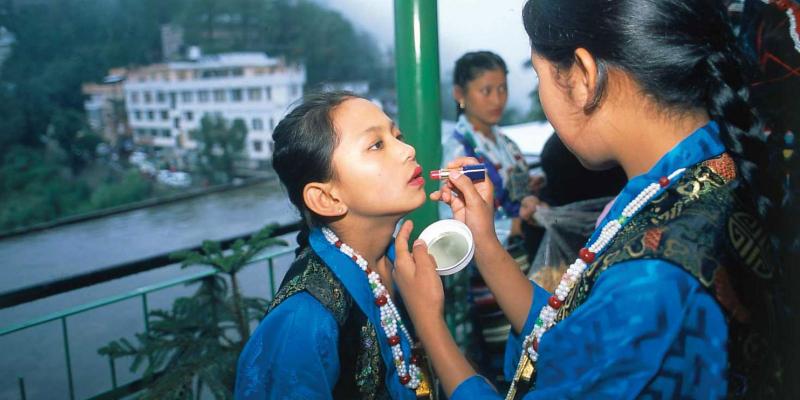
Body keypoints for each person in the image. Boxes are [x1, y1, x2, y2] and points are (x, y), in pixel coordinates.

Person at [393, 0, 785, 399]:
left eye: (540, 77)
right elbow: (575, 332)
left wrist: (428, 324)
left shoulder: (650, 282)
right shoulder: (707, 168)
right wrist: (486, 239)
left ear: (582, 76)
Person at [235, 91, 435, 399]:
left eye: (398, 135)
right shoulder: (302, 324)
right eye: (377, 145)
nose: (407, 149)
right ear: (326, 198)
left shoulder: (403, 264)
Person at [444, 51, 530, 233]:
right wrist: (511, 227)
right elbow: (451, 221)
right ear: (459, 94)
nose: (497, 100)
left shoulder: (506, 143)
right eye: (486, 91)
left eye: (502, 89)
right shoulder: (457, 151)